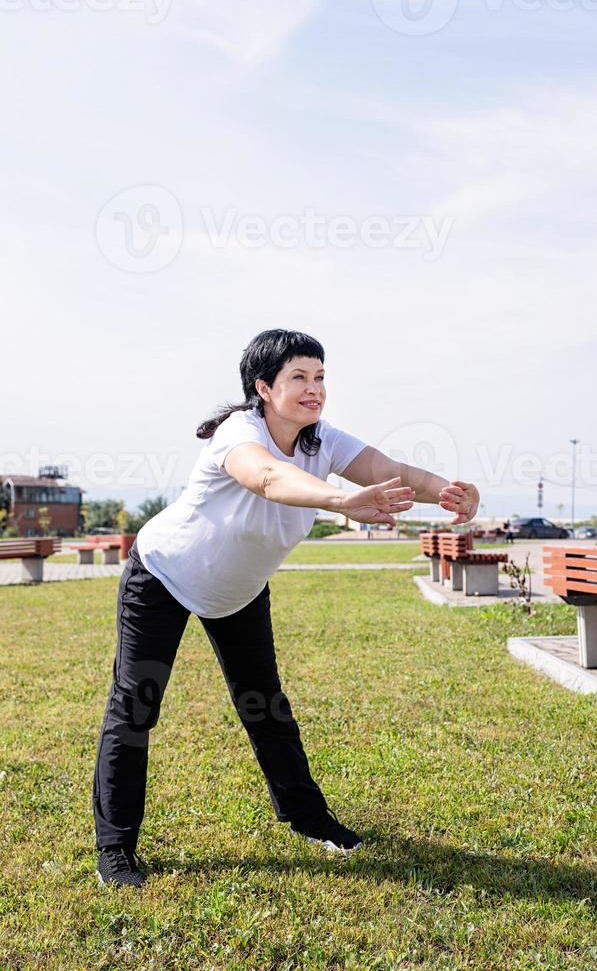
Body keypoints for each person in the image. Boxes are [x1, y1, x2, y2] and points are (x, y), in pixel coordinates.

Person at [93, 329, 480, 887]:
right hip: (163, 576)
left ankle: (307, 818)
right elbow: (269, 478)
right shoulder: (239, 433)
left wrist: (450, 490)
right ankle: (115, 848)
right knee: (136, 708)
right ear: (263, 387)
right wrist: (341, 500)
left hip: (239, 591)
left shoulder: (325, 442)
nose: (313, 388)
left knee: (264, 705)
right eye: (298, 377)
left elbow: (394, 472)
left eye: (319, 376)